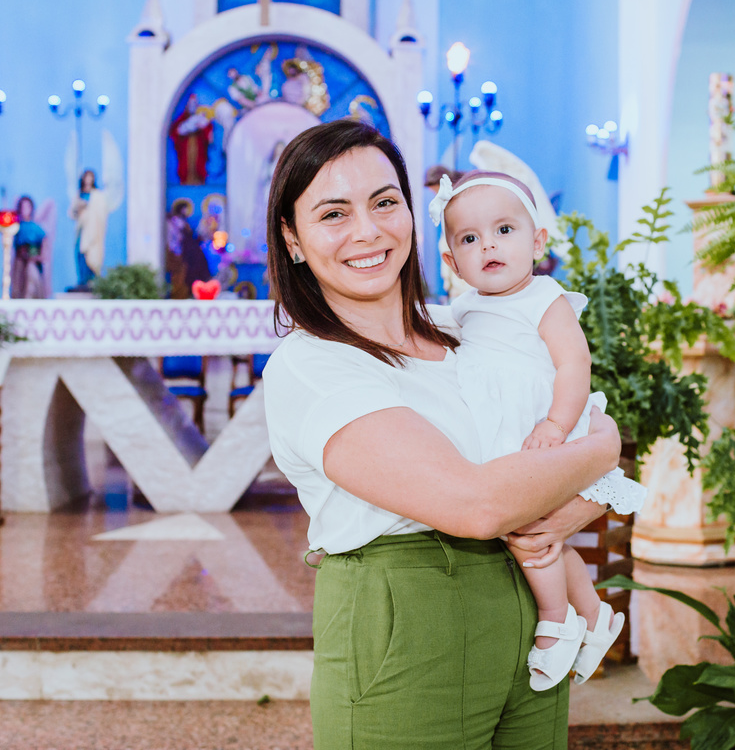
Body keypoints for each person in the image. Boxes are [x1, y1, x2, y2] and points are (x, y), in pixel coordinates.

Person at [262, 119, 621, 749]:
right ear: (292, 238)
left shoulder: (472, 332)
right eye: (333, 213)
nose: (368, 231)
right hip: (410, 633)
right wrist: (606, 447)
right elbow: (477, 503)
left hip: (530, 624)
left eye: (384, 202)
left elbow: (562, 456)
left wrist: (565, 511)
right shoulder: (313, 364)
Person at [431, 171, 646, 691]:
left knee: (530, 535)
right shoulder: (464, 309)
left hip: (545, 428)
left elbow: (575, 362)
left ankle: (556, 621)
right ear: (451, 261)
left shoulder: (544, 297)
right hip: (504, 435)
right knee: (541, 531)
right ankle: (593, 613)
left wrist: (556, 423)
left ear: (538, 241)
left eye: (505, 230)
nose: (489, 246)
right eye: (469, 239)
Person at [70, 169, 107, 286]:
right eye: (86, 177)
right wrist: (79, 208)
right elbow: (72, 213)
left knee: (91, 254)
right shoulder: (79, 194)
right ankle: (82, 280)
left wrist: (89, 208)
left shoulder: (97, 196)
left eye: (90, 177)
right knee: (80, 254)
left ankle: (92, 281)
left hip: (93, 230)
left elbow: (101, 213)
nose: (88, 180)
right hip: (82, 230)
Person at [10, 195, 48, 299]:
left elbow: (44, 248)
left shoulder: (37, 229)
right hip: (20, 263)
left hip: (33, 262)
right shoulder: (16, 228)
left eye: (27, 207)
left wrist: (37, 257)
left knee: (32, 281)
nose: (25, 210)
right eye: (22, 207)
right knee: (19, 288)